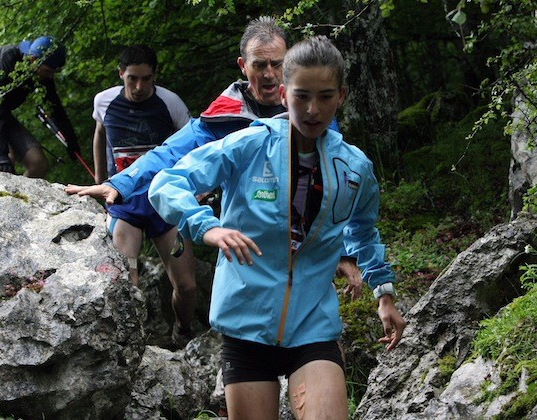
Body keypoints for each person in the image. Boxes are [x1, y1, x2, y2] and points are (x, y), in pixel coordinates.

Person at [148, 36, 406, 419]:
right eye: (302, 96)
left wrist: (383, 294)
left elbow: (363, 230)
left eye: (325, 96)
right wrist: (207, 228)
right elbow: (166, 182)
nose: (312, 109)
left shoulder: (355, 168)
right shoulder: (250, 145)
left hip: (313, 326)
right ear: (284, 94)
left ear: (342, 96)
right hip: (245, 325)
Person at [66, 16, 362, 293]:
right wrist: (120, 183)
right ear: (243, 66)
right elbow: (170, 152)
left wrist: (345, 250)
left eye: (277, 64)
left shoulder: (313, 112)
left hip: (306, 245)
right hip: (247, 244)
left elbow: (339, 183)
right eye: (259, 65)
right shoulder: (223, 116)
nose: (269, 74)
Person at [89, 44, 196, 348]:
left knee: (187, 287)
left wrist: (196, 188)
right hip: (125, 206)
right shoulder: (104, 101)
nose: (138, 87)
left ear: (154, 76)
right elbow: (99, 134)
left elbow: (195, 144)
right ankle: (134, 347)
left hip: (166, 202)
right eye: (132, 78)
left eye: (146, 79)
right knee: (126, 283)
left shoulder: (170, 103)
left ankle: (182, 331)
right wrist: (100, 179)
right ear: (120, 74)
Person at [0, 35, 80, 178]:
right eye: (48, 71)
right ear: (33, 60)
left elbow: (54, 108)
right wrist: (1, 154)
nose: (50, 77)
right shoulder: (7, 59)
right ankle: (0, 198)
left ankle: (19, 198)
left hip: (1, 114)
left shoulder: (41, 74)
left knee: (38, 163)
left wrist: (70, 141)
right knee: (5, 162)